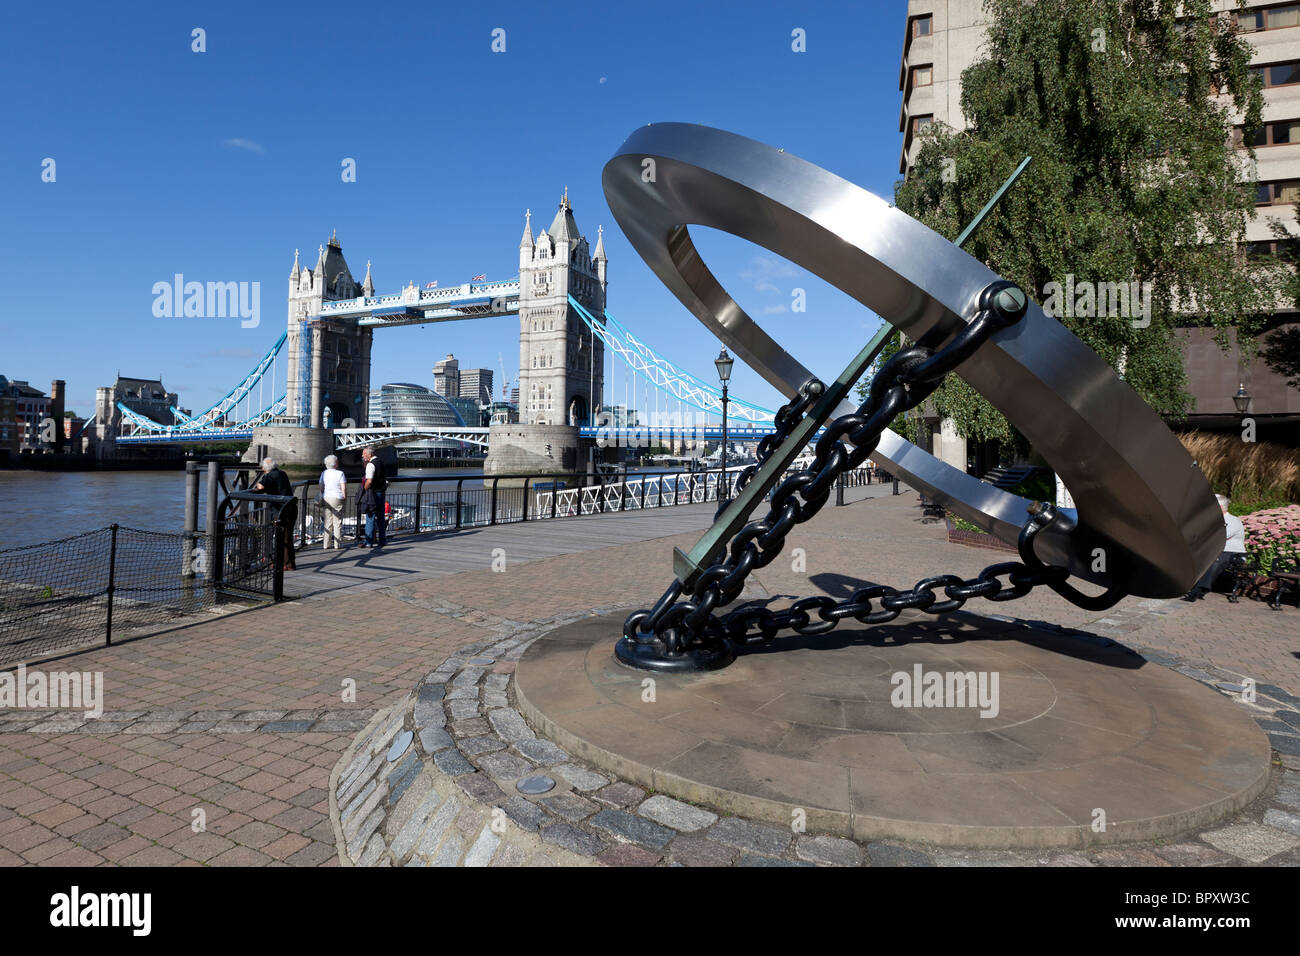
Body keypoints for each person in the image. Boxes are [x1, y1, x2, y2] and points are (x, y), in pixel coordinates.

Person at [1185, 494, 1247, 600]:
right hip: (1217, 552)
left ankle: (1198, 591)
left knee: (1214, 560)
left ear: (1220, 507)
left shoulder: (1233, 521)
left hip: (1233, 554)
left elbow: (1220, 537)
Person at [253, 456, 298, 571]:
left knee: (282, 538)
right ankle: (286, 562)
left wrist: (258, 484)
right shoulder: (282, 473)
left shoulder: (269, 476)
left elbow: (261, 486)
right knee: (287, 538)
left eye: (262, 466)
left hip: (281, 510)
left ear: (264, 468)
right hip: (291, 508)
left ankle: (286, 564)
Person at [360, 446, 387, 549]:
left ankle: (368, 541)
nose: (363, 456)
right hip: (381, 492)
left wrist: (364, 490)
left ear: (369, 454)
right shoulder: (381, 462)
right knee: (380, 517)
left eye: (364, 454)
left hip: (373, 494)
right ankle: (382, 540)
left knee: (370, 516)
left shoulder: (370, 465)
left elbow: (369, 481)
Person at [319, 454, 347, 550]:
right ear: (335, 464)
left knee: (327, 522)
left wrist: (324, 494)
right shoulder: (340, 473)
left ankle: (326, 545)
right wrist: (344, 498)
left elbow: (321, 487)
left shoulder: (324, 473)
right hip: (337, 498)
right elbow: (343, 487)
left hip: (326, 498)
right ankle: (337, 545)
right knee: (337, 522)